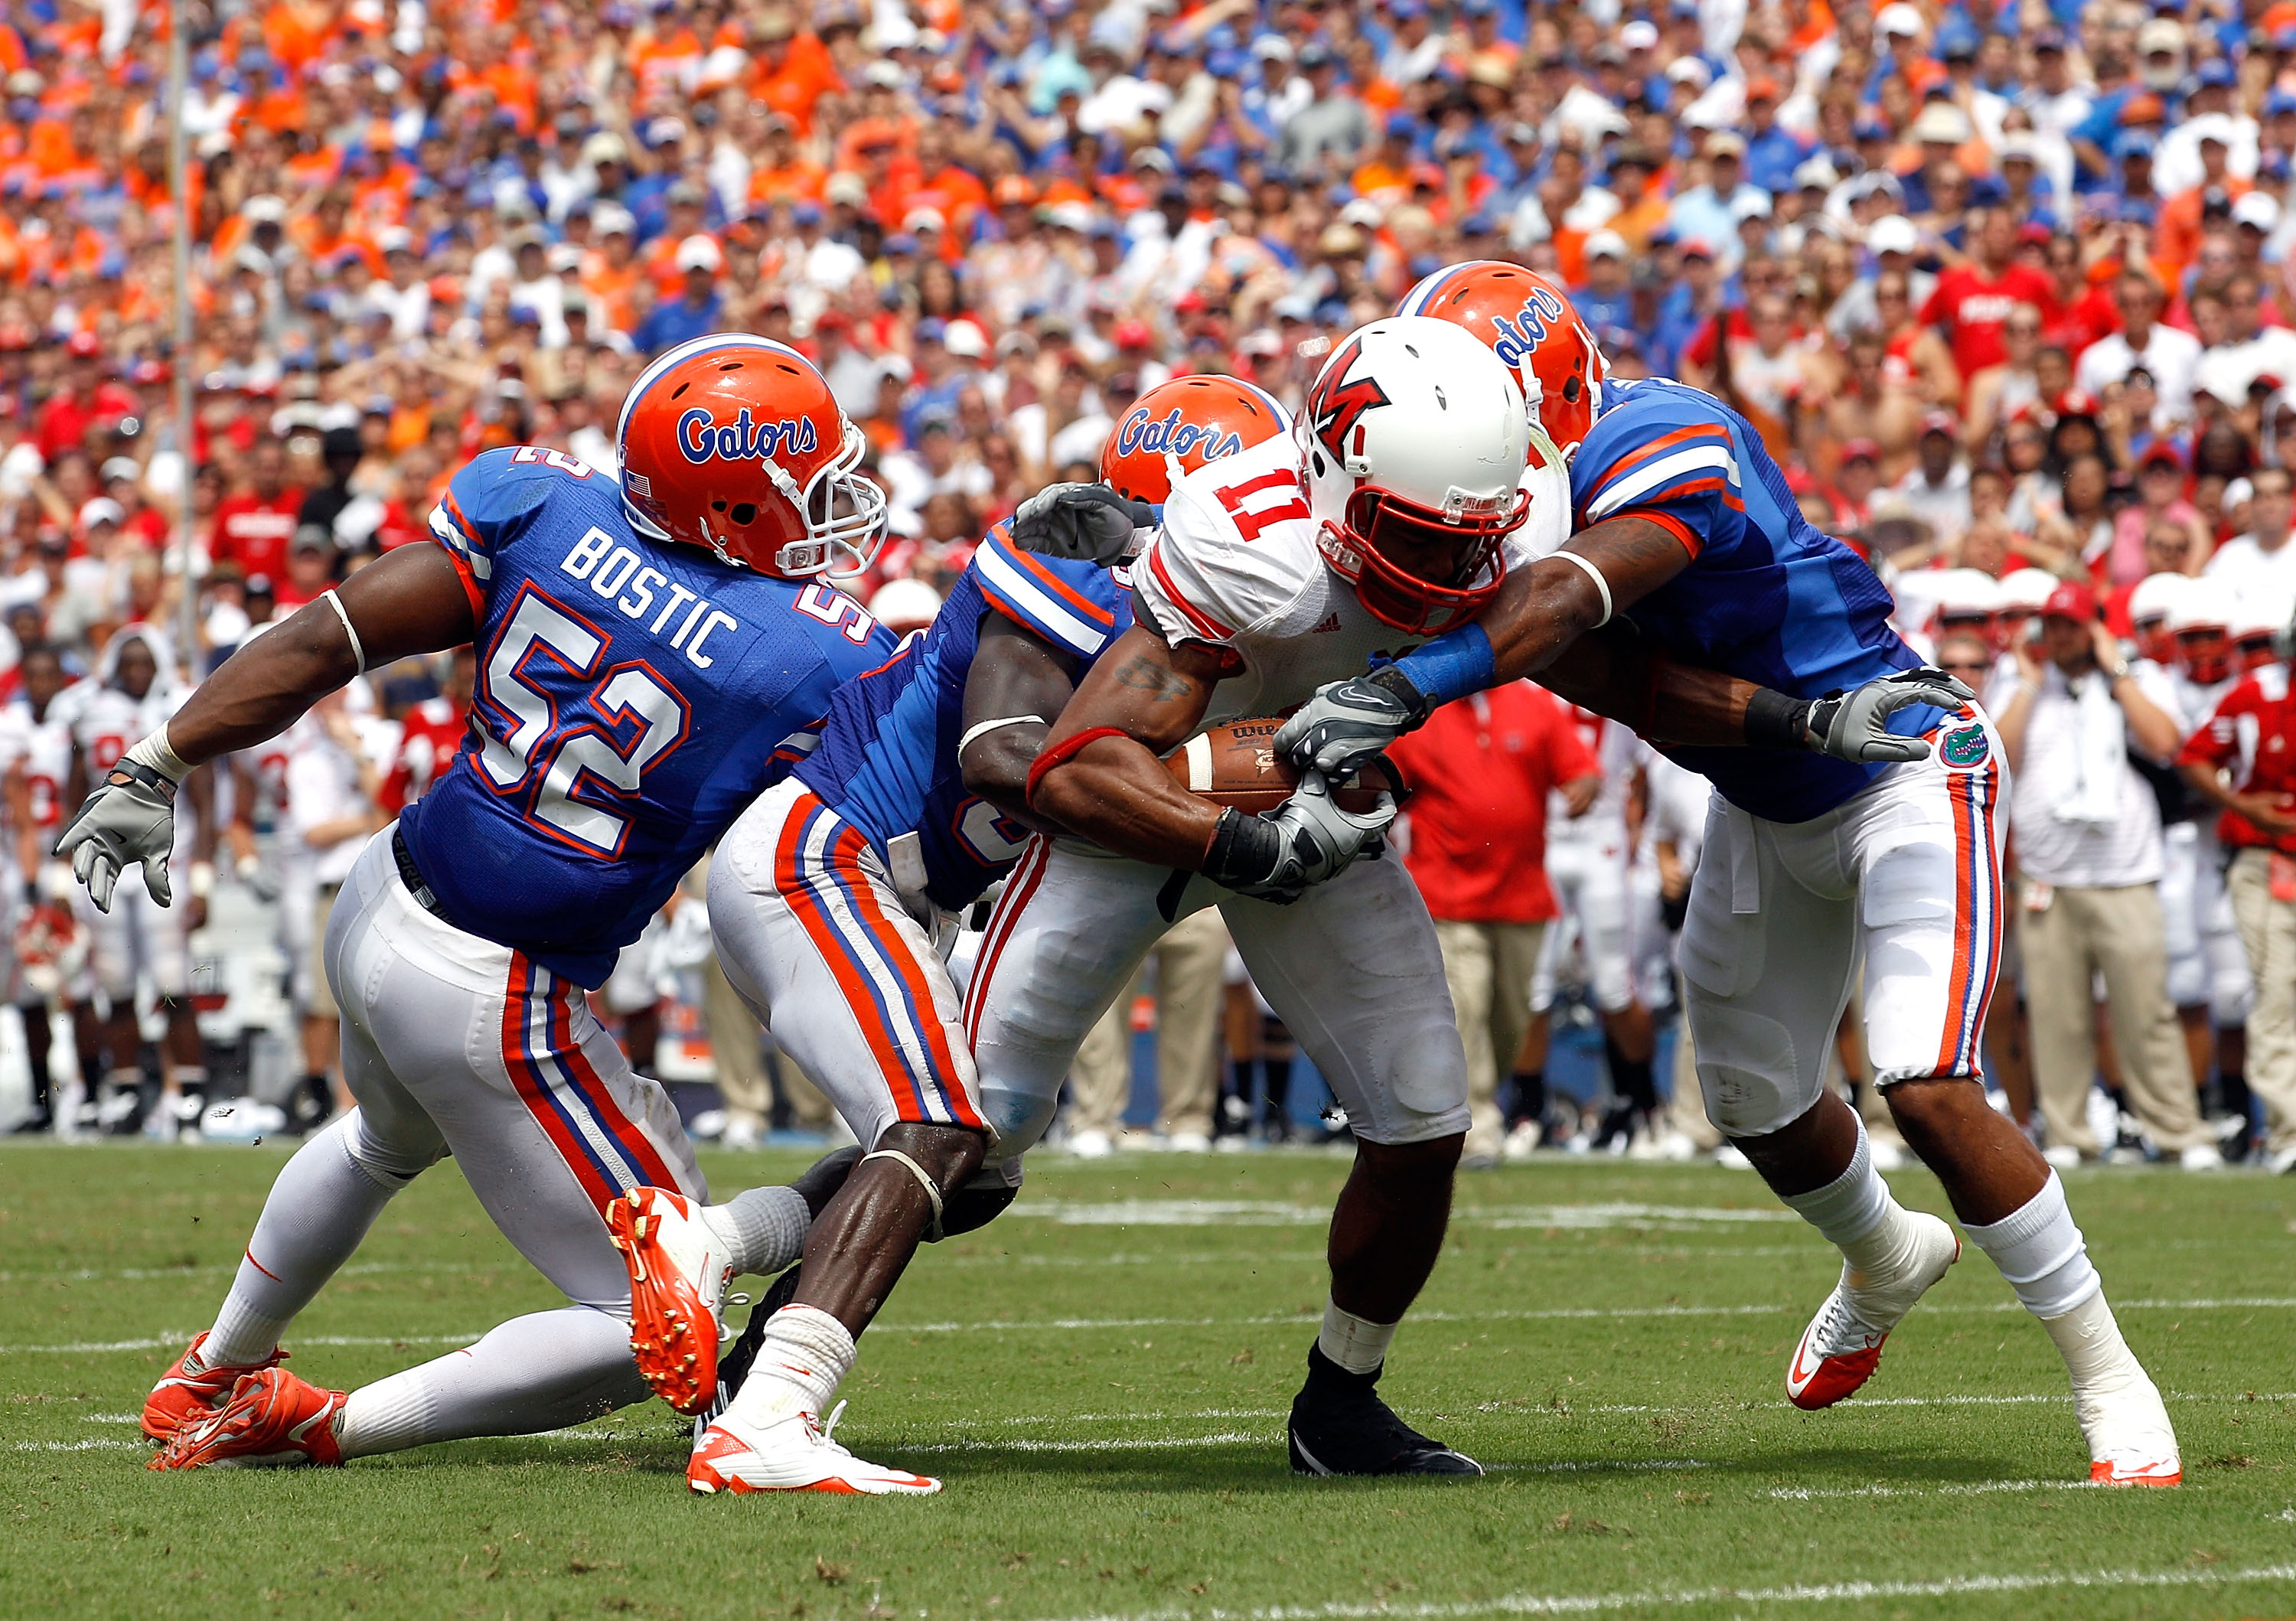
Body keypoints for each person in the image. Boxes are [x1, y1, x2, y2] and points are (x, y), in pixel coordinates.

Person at [996, 309, 1935, 1479]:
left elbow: (1623, 678)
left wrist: (1796, 720)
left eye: (1472, 538)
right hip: (1154, 814)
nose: (1449, 565)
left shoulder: (1515, 516)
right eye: (1416, 534)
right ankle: (776, 1324)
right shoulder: (1244, 535)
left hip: (1323, 819)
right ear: (1331, 473)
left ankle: (1339, 1403)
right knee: (968, 1137)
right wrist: (1238, 837)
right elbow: (1072, 763)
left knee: (1425, 1118)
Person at [1273, 308, 2181, 1486]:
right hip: (1768, 790)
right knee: (1752, 1099)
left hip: (1902, 755)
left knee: (1926, 1082)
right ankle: (1886, 1253)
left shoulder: (1665, 439)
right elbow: (1647, 687)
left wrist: (1412, 685)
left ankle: (2111, 1376)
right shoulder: (1507, 512)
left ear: (1539, 405)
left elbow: (1568, 598)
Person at [85, 336, 895, 1474]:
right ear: (726, 501)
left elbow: (329, 639)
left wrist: (156, 763)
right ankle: (319, 1424)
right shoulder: (809, 652)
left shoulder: (539, 508)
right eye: (801, 480)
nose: (827, 505)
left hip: (382, 895)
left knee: (381, 1136)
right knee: (660, 1320)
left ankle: (212, 1365)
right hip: (498, 987)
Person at [655, 375, 1290, 1495]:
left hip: (891, 887)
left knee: (976, 1164)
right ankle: (765, 1406)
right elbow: (1006, 759)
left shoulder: (1185, 621)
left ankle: (734, 1306)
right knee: (940, 1125)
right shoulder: (1063, 577)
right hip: (827, 856)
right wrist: (1216, 812)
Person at [1994, 582, 2219, 1179]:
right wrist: (2024, 683)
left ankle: (2178, 1129)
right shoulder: (2022, 686)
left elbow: (2166, 742)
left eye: (2073, 626)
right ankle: (2068, 1131)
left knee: (2146, 1013)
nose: (2061, 638)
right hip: (2049, 876)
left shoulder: (2136, 677)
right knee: (2056, 1014)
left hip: (2125, 874)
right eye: (2053, 627)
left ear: (2095, 626)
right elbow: (1999, 755)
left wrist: (2115, 665)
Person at [1389, 683, 1598, 1166]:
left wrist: (1583, 787)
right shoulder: (1422, 712)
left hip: (1521, 896)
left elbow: (1582, 770)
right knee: (1465, 1009)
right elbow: (1384, 790)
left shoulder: (1535, 703)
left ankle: (1478, 1104)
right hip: (1446, 894)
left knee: (1511, 1022)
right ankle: (1477, 1128)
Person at [2180, 622, 2296, 1175]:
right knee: (2277, 988)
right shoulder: (2255, 694)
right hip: (2265, 858)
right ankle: (2287, 1131)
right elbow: (2196, 754)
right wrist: (2242, 806)